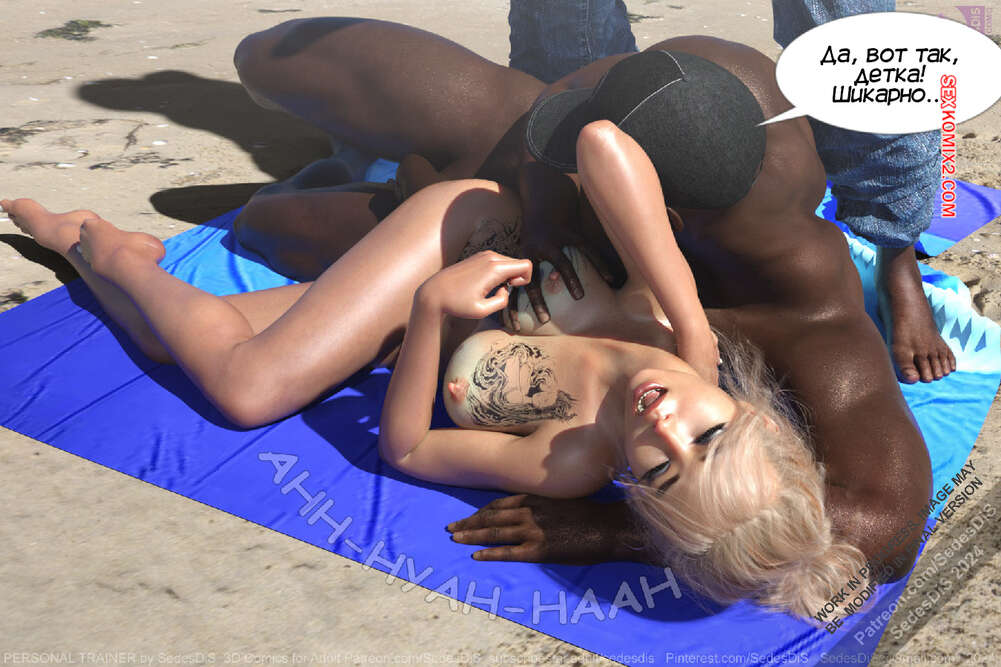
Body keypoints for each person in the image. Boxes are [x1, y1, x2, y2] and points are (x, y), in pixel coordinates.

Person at [2, 114, 870, 617]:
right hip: (463, 232)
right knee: (248, 387)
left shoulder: (571, 457)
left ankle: (96, 249)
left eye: (660, 469)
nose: (664, 423)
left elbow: (409, 448)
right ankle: (107, 251)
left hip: (423, 307)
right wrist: (681, 307)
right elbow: (602, 139)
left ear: (636, 491)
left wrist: (429, 312)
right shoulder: (674, 334)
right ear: (753, 413)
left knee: (189, 341)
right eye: (707, 434)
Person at [222, 18, 931, 586]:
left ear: (660, 223)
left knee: (266, 223)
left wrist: (638, 531)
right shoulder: (691, 83)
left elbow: (891, 528)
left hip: (511, 234)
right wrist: (545, 214)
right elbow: (560, 130)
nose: (671, 431)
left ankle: (393, 184)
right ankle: (405, 180)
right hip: (521, 158)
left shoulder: (809, 315)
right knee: (262, 59)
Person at [506, 0, 954, 385]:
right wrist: (546, 210)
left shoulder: (801, 251)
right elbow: (568, 100)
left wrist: (692, 330)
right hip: (654, 92)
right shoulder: (617, 110)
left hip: (722, 126)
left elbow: (864, 404)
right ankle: (584, 183)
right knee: (569, 25)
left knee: (854, 35)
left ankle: (898, 257)